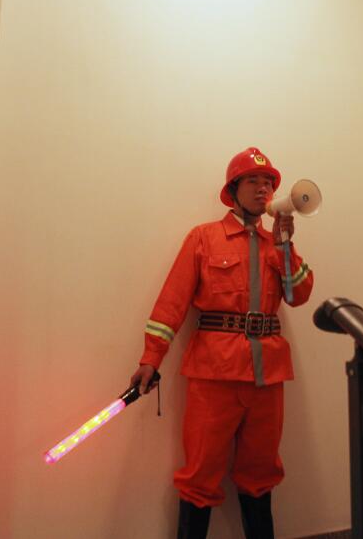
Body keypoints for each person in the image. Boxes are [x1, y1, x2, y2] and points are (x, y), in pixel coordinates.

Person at [130, 147, 314, 539]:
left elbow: (298, 296)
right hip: (214, 375)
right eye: (254, 181)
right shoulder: (204, 238)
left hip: (267, 377)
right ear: (233, 190)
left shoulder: (276, 244)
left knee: (261, 474)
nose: (263, 189)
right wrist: (151, 357)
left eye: (269, 183)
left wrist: (285, 245)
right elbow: (172, 302)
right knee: (200, 474)